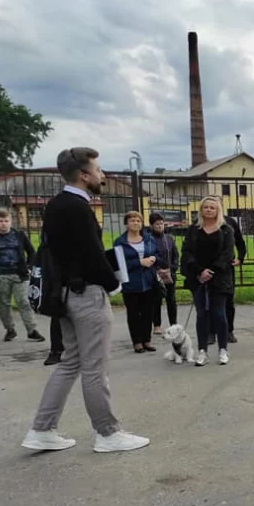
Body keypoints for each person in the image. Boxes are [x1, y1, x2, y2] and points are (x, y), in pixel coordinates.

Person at [21, 147, 149, 453]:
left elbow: (67, 252)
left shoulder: (55, 206)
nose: (102, 175)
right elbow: (91, 255)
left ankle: (42, 428)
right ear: (83, 175)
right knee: (94, 367)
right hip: (87, 295)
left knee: (70, 363)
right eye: (99, 170)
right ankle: (107, 433)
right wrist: (112, 284)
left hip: (63, 293)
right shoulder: (78, 208)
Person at [181, 196, 236, 366]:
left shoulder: (226, 230)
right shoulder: (193, 230)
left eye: (213, 207)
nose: (209, 210)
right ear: (201, 209)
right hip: (198, 277)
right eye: (206, 207)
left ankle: (223, 350)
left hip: (219, 277)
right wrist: (199, 271)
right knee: (201, 315)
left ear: (218, 210)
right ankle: (202, 351)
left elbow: (228, 253)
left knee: (219, 314)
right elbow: (187, 251)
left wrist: (211, 271)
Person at [0, 209, 44, 342]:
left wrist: (29, 267)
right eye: (0, 221)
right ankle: (10, 330)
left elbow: (31, 252)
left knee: (24, 302)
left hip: (20, 275)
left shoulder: (19, 235)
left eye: (6, 221)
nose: (3, 224)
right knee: (4, 303)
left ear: (11, 221)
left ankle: (31, 330)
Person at [113, 211, 159, 353]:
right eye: (132, 220)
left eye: (138, 221)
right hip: (130, 282)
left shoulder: (149, 239)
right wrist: (139, 262)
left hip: (148, 281)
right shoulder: (120, 242)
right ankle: (137, 341)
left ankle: (147, 339)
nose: (136, 223)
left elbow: (157, 254)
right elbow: (117, 264)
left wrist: (154, 259)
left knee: (148, 312)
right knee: (133, 313)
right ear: (126, 224)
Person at [148, 213, 179, 335]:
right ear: (152, 225)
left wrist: (173, 268)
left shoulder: (169, 238)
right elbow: (148, 255)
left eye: (161, 223)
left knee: (171, 299)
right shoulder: (148, 239)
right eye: (157, 224)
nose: (160, 226)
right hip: (155, 274)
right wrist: (157, 270)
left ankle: (174, 324)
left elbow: (175, 255)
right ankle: (157, 325)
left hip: (170, 273)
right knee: (156, 300)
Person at [219, 214, 246, 344]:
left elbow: (240, 242)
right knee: (209, 302)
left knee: (229, 301)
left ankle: (229, 331)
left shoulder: (230, 222)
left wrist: (240, 258)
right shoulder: (200, 223)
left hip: (227, 268)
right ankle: (211, 332)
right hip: (208, 267)